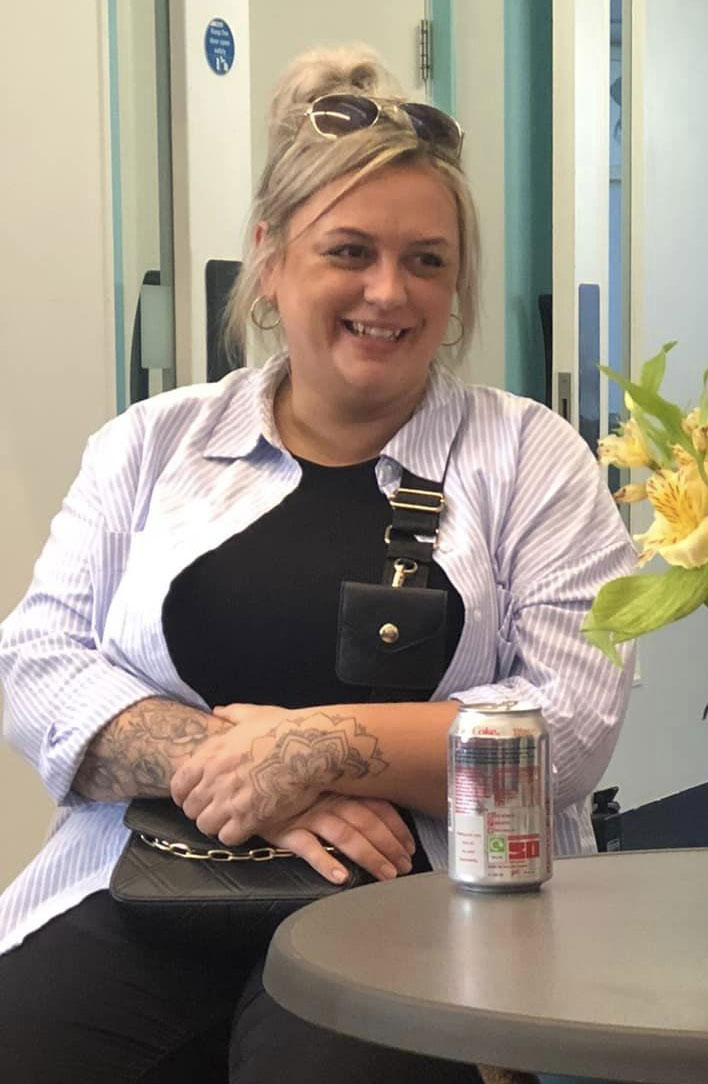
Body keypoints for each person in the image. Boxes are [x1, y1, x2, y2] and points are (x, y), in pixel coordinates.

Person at [0, 47, 634, 1083]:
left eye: (426, 261)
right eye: (350, 251)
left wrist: (314, 749)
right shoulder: (151, 444)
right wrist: (246, 771)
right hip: (157, 873)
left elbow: (569, 727)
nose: (390, 291)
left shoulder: (530, 457)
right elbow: (36, 666)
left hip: (423, 898)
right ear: (270, 254)